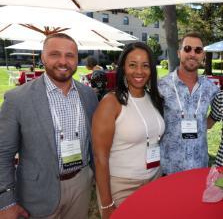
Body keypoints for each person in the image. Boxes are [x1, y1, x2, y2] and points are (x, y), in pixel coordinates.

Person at [0, 33, 98, 218]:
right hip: (37, 191)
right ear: (43, 57)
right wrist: (5, 202)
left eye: (70, 55)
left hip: (81, 184)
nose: (63, 61)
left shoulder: (88, 95)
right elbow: (3, 153)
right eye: (55, 54)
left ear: (77, 59)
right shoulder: (18, 99)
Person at [92, 42, 165, 219]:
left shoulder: (154, 98)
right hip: (122, 186)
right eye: (132, 65)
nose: (139, 71)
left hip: (154, 179)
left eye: (145, 65)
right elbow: (100, 158)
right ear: (123, 68)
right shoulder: (111, 102)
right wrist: (107, 203)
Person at [158, 32, 219, 175]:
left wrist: (203, 124)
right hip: (169, 167)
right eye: (187, 49)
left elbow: (217, 113)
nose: (192, 54)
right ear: (179, 53)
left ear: (203, 55)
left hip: (199, 166)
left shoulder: (211, 88)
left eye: (198, 50)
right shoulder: (161, 86)